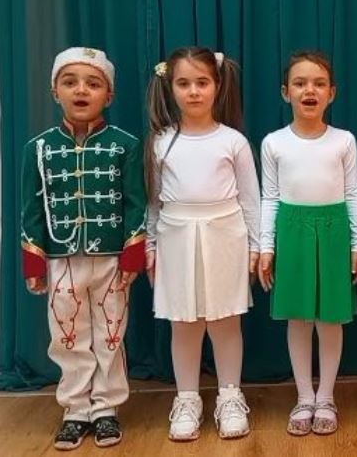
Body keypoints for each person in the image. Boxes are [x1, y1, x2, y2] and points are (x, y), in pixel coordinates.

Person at [20, 46, 146, 450]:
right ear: (54, 91)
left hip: (111, 258)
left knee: (111, 331)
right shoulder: (38, 148)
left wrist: (133, 252)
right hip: (61, 259)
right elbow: (31, 207)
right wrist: (34, 261)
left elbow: (136, 203)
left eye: (93, 84)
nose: (81, 90)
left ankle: (106, 408)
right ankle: (75, 409)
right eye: (70, 82)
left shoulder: (125, 145)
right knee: (67, 335)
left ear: (109, 95)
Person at [144, 47, 260, 441]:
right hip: (175, 238)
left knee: (225, 321)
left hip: (226, 236)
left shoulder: (233, 142)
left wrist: (257, 246)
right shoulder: (161, 142)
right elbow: (154, 202)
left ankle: (230, 396)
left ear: (217, 85)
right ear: (170, 87)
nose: (193, 91)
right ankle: (187, 399)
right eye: (184, 83)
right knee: (185, 323)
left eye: (202, 82)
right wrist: (150, 245)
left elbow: (251, 200)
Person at [259, 51, 357, 436]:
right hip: (292, 231)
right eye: (300, 83)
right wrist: (266, 246)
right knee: (299, 318)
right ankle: (304, 396)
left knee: (330, 318)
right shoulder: (273, 143)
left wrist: (356, 243)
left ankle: (326, 397)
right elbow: (270, 197)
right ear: (285, 92)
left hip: (334, 231)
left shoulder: (344, 141)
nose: (309, 90)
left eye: (319, 84)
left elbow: (353, 193)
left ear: (331, 93)